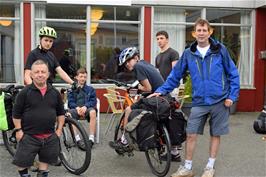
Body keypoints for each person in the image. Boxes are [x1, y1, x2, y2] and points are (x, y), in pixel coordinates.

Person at [149, 18, 240, 177]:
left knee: (215, 133)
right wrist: (162, 90)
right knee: (191, 133)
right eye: (199, 30)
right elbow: (175, 75)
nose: (202, 33)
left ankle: (210, 167)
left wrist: (232, 96)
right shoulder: (188, 53)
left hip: (220, 100)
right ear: (194, 33)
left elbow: (233, 73)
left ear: (210, 32)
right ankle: (187, 167)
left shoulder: (220, 50)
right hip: (199, 101)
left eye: (205, 30)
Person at [12, 60, 65, 177]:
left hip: (50, 136)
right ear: (31, 74)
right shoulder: (24, 93)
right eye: (36, 72)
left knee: (44, 166)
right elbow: (16, 114)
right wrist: (18, 130)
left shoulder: (55, 93)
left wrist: (59, 130)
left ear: (48, 74)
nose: (40, 74)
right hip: (29, 136)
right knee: (22, 164)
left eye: (43, 71)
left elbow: (61, 114)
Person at [109, 46, 164, 151]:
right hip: (162, 97)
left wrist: (137, 87)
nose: (127, 65)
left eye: (127, 62)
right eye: (125, 64)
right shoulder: (146, 64)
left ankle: (124, 141)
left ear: (135, 58)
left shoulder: (138, 67)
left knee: (128, 109)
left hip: (154, 98)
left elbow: (148, 88)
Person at [155, 30, 182, 162]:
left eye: (161, 38)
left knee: (173, 120)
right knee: (163, 118)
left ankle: (175, 151)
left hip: (171, 90)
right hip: (161, 91)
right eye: (157, 39)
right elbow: (157, 74)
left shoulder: (173, 53)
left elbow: (176, 74)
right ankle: (169, 149)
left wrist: (172, 89)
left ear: (167, 39)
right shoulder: (158, 56)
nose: (159, 40)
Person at [67, 68, 96, 149]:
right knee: (69, 114)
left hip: (87, 109)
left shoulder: (90, 89)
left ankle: (91, 139)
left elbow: (93, 101)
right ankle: (77, 139)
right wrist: (77, 108)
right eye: (81, 76)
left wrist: (85, 106)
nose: (83, 78)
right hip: (75, 110)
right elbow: (70, 102)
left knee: (93, 112)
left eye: (84, 77)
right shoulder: (71, 89)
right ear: (76, 77)